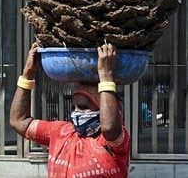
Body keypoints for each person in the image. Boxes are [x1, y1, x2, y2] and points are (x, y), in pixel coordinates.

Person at [10, 42, 130, 177]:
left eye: (84, 107)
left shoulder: (114, 142)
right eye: (74, 107)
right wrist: (28, 73)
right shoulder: (61, 132)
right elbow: (18, 121)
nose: (76, 113)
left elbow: (109, 127)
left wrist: (106, 75)